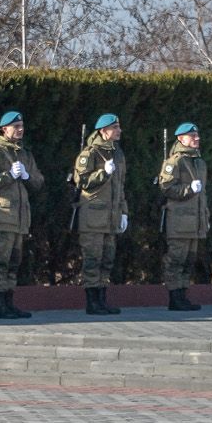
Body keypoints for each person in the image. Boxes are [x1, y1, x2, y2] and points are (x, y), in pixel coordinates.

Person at [0, 111, 42, 319]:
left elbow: (39, 182)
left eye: (21, 125)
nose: (20, 129)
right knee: (0, 260)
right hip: (3, 215)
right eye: (16, 126)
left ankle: (9, 303)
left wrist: (27, 175)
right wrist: (8, 176)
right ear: (4, 130)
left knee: (14, 261)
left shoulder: (25, 154)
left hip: (21, 217)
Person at [72, 114, 128, 315]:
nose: (119, 131)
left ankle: (102, 300)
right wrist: (102, 172)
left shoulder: (118, 154)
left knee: (107, 260)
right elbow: (82, 182)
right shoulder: (90, 153)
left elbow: (120, 187)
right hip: (93, 217)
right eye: (115, 127)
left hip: (111, 217)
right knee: (92, 259)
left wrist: (124, 212)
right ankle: (92, 302)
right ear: (103, 131)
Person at [159, 122, 207, 311]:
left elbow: (203, 195)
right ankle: (174, 297)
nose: (196, 138)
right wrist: (188, 189)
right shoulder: (175, 161)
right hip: (179, 221)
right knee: (176, 259)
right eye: (192, 136)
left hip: (195, 221)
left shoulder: (199, 162)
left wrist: (205, 217)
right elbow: (166, 187)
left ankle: (183, 296)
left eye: (197, 135)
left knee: (189, 260)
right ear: (181, 139)